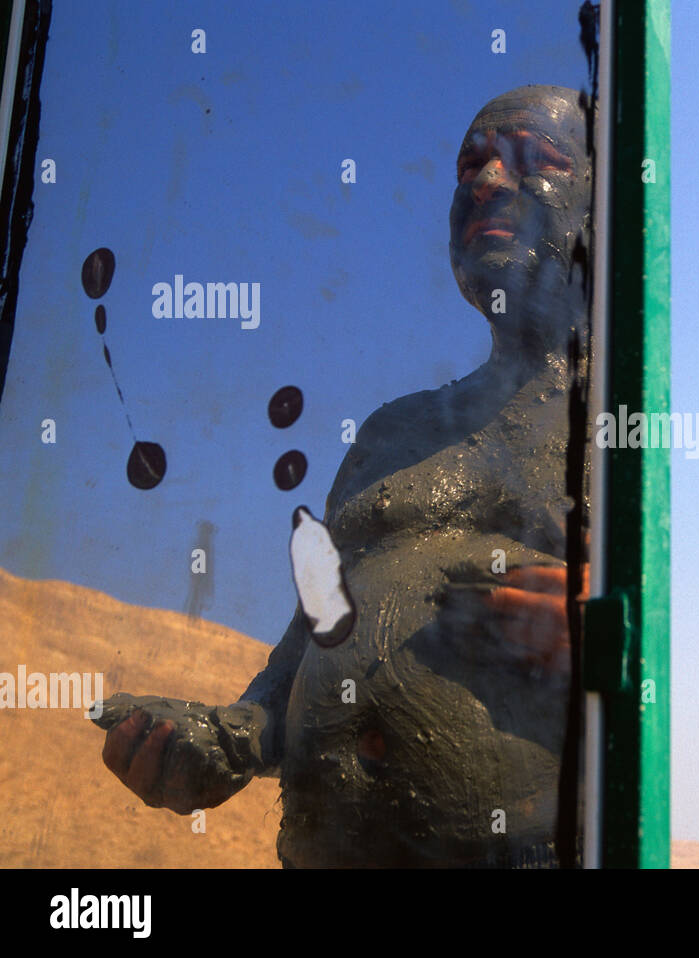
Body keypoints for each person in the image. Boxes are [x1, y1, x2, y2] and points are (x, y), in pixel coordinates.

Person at [97, 84, 592, 868]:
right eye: (471, 164)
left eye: (539, 160)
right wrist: (226, 742)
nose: (487, 181)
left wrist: (614, 636)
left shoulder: (617, 426)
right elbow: (313, 640)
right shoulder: (393, 433)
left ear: (599, 208)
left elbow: (685, 640)